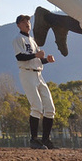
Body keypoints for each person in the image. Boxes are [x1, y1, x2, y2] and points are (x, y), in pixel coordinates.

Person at [13, 14, 56, 150]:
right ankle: (34, 139)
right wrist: (36, 55)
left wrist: (46, 60)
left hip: (38, 73)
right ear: (18, 25)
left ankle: (45, 140)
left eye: (28, 21)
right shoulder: (17, 39)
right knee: (36, 106)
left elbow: (37, 59)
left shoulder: (32, 40)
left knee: (50, 108)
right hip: (27, 73)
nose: (27, 23)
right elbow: (20, 56)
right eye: (23, 21)